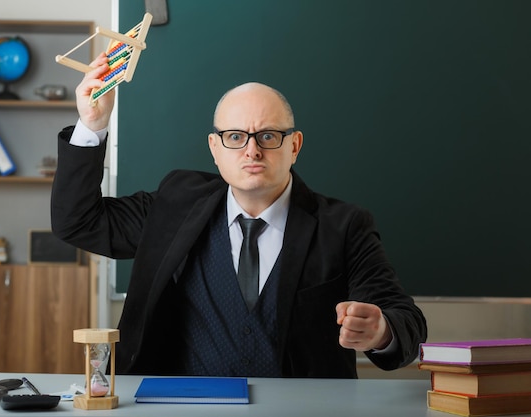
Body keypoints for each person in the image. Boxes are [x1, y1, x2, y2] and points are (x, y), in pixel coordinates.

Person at [51, 53, 428, 378]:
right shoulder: (175, 204)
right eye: (235, 137)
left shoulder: (344, 226)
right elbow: (78, 220)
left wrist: (382, 331)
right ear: (215, 148)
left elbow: (407, 323)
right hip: (181, 408)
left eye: (268, 136)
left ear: (294, 146)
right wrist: (92, 125)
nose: (252, 151)